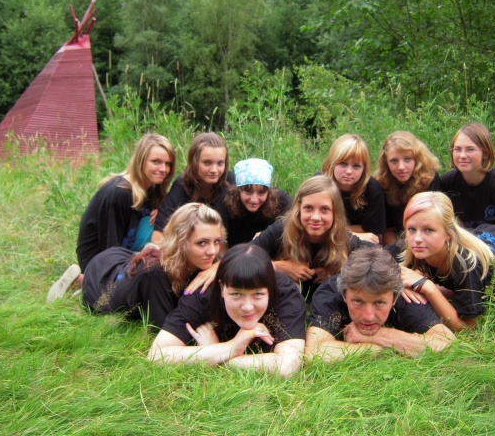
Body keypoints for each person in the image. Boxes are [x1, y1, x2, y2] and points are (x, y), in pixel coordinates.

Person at [48, 134, 176, 303]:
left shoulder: (151, 189)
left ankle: (89, 284)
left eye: (168, 164)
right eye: (156, 162)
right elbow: (110, 248)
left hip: (126, 251)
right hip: (100, 259)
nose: (163, 169)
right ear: (140, 160)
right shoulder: (119, 193)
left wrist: (163, 212)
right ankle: (87, 282)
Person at [147, 244, 306, 377]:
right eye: (236, 294)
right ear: (222, 287)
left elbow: (288, 367)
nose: (247, 307)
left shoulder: (285, 294)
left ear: (270, 289)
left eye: (258, 294)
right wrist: (231, 347)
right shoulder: (203, 295)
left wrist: (215, 354)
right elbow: (157, 356)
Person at [398, 192, 495, 332]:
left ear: (448, 233)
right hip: (493, 234)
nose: (417, 238)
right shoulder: (418, 247)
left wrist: (428, 287)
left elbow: (469, 328)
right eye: (411, 229)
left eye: (428, 230)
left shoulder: (465, 265)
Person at [80, 203, 224, 330]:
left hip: (125, 258)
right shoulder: (155, 273)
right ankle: (80, 281)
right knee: (139, 271)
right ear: (180, 241)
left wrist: (218, 267)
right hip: (100, 278)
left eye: (216, 241)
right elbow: (164, 331)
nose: (213, 251)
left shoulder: (205, 259)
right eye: (201, 243)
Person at [305, 247, 455, 361]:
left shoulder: (406, 298)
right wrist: (378, 349)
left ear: (394, 298)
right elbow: (314, 353)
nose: (368, 316)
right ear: (344, 294)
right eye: (358, 301)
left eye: (379, 303)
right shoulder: (331, 293)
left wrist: (382, 336)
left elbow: (447, 344)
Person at [251, 175, 376, 300]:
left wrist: (340, 273)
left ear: (335, 213)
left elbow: (381, 255)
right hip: (283, 295)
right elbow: (244, 258)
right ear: (299, 209)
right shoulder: (282, 229)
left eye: (325, 209)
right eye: (308, 208)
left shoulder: (343, 238)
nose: (316, 217)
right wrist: (279, 266)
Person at [152, 132, 235, 243]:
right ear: (194, 162)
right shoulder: (182, 184)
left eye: (220, 163)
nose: (214, 170)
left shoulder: (228, 181)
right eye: (207, 163)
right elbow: (158, 234)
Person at [374, 131, 441, 245]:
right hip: (398, 244)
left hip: (426, 241)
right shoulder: (382, 185)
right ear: (386, 163)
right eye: (394, 161)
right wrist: (397, 251)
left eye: (407, 159)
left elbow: (436, 226)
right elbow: (388, 231)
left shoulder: (430, 180)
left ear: (417, 159)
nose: (401, 167)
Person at [320, 134, 386, 244]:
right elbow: (314, 226)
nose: (349, 171)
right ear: (332, 163)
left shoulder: (372, 189)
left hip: (360, 245)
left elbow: (373, 233)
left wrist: (333, 229)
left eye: (356, 166)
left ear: (364, 168)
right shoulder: (320, 184)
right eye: (343, 164)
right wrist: (354, 234)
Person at [218, 158, 292, 248]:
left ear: (268, 192)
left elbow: (296, 216)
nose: (254, 200)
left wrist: (266, 236)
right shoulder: (226, 199)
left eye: (261, 192)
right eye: (248, 191)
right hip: (233, 252)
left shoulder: (280, 200)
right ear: (238, 190)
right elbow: (218, 237)